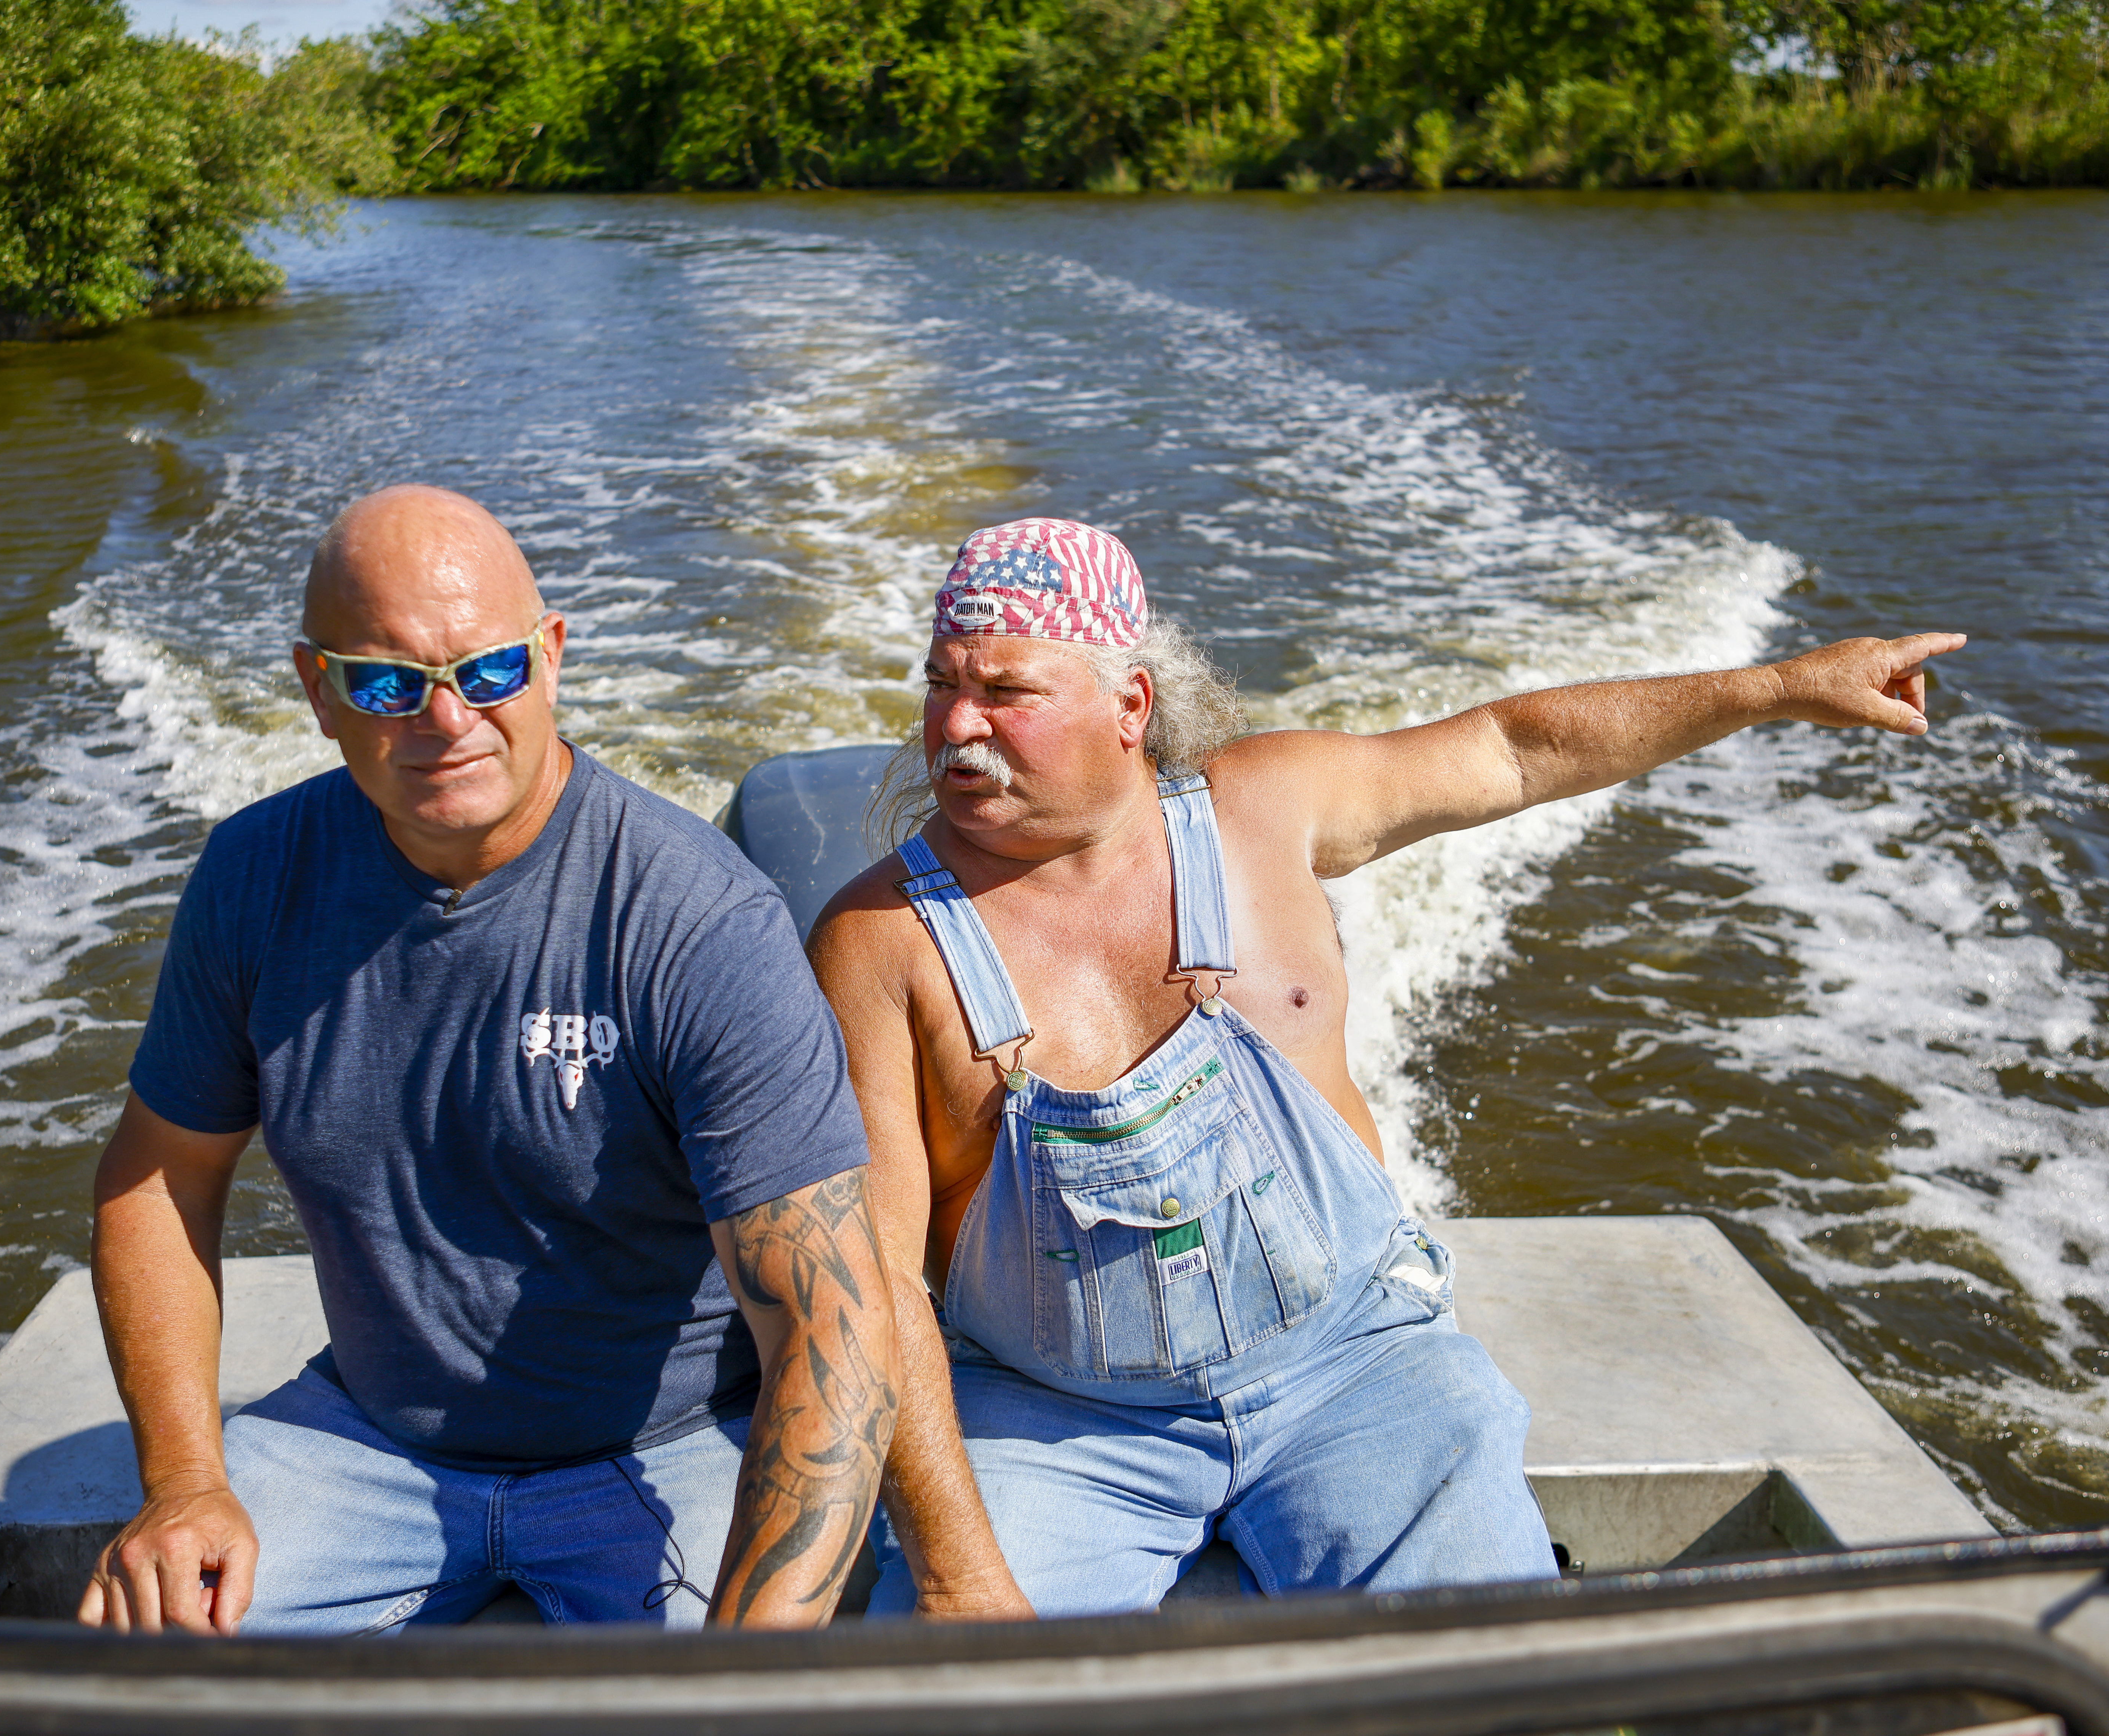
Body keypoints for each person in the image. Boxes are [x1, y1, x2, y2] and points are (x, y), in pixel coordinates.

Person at [811, 517, 1963, 1619]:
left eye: (1006, 691)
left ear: (1131, 703)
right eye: (939, 684)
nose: (957, 724)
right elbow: (875, 1285)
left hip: (1356, 1367)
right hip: (1057, 1422)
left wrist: (1780, 688)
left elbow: (1516, 752)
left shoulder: (1263, 805)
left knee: (1483, 1685)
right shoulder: (878, 943)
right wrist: (964, 1576)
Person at [80, 485, 894, 1637]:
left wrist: (743, 1680)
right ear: (320, 692)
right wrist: (184, 1484)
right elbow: (160, 1177)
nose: (448, 718)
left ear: (551, 657)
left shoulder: (698, 920)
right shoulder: (254, 879)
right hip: (368, 1441)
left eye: (489, 671)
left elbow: (833, 1329)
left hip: (668, 1446)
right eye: (386, 684)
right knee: (134, 1672)